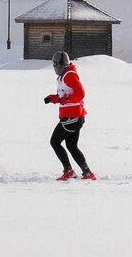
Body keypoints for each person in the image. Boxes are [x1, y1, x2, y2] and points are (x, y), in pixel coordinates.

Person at [44, 51, 94, 181]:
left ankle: (69, 171)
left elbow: (80, 93)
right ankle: (87, 172)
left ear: (62, 64)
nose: (54, 66)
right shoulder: (64, 76)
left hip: (72, 117)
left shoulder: (69, 75)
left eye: (55, 64)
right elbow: (65, 95)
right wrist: (53, 98)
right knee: (72, 146)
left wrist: (63, 100)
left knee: (54, 142)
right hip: (73, 116)